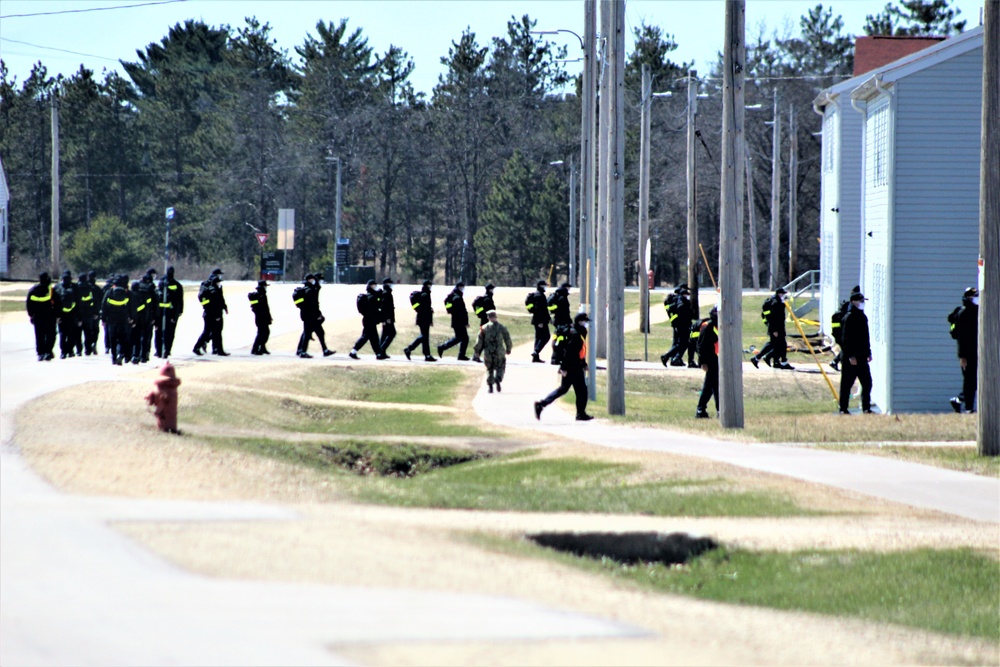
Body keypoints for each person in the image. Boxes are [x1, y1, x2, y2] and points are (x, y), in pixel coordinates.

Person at [534, 311, 593, 422]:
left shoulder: (578, 332)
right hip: (572, 367)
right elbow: (569, 353)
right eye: (585, 322)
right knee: (581, 391)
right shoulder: (575, 335)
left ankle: (541, 405)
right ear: (580, 322)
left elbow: (580, 351)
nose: (586, 324)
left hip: (574, 365)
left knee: (565, 389)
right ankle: (580, 414)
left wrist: (583, 364)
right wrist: (563, 368)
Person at [838, 292, 873, 415]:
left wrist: (868, 352)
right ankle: (843, 408)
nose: (862, 303)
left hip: (862, 356)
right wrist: (850, 356)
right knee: (847, 384)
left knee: (867, 383)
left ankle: (866, 408)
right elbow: (845, 339)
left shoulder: (862, 317)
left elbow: (865, 337)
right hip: (851, 358)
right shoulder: (849, 317)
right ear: (853, 301)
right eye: (860, 301)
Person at [949, 287, 979, 413]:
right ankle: (968, 408)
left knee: (974, 380)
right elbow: (961, 337)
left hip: (977, 351)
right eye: (975, 297)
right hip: (967, 354)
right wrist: (962, 356)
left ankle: (958, 400)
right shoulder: (964, 314)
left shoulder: (978, 311)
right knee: (969, 380)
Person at [750, 288, 793, 370]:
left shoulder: (779, 302)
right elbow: (773, 318)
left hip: (779, 327)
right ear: (779, 294)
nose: (784, 296)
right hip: (776, 328)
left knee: (781, 345)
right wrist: (774, 330)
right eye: (783, 294)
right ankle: (758, 358)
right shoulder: (776, 303)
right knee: (774, 344)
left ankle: (778, 361)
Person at [294, 274, 334, 358]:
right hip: (310, 315)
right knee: (307, 333)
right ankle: (302, 352)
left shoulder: (310, 289)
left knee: (319, 332)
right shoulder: (310, 290)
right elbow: (313, 305)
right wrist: (318, 314)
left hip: (308, 315)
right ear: (310, 280)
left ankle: (324, 350)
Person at [474, 310, 512, 393]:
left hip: (488, 352)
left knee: (489, 369)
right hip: (499, 352)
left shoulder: (483, 328)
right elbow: (507, 339)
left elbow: (479, 341)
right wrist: (508, 349)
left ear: (488, 317)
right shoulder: (502, 327)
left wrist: (477, 351)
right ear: (495, 316)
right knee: (501, 367)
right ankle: (498, 378)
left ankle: (490, 386)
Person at [194, 269, 229, 356]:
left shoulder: (217, 286)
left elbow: (220, 299)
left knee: (215, 331)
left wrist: (224, 306)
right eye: (219, 275)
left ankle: (217, 349)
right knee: (209, 332)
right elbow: (213, 302)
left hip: (212, 312)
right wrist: (208, 308)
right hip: (211, 313)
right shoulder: (209, 286)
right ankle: (199, 347)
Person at [26, 271, 59, 361]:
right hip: (49, 317)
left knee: (39, 335)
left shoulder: (33, 290)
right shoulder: (51, 290)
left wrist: (31, 315)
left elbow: (29, 304)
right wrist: (57, 315)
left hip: (37, 317)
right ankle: (48, 351)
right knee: (51, 335)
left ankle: (40, 353)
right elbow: (57, 303)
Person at [350, 279, 386, 359]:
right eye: (374, 285)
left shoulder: (373, 296)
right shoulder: (371, 297)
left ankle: (378, 354)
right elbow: (374, 308)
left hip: (369, 320)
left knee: (373, 337)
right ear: (371, 286)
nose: (376, 287)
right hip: (369, 320)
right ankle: (353, 352)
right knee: (366, 337)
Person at [101, 274, 132, 366]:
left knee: (113, 338)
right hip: (123, 319)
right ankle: (120, 354)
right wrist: (131, 317)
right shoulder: (126, 293)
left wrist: (103, 318)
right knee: (122, 338)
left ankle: (114, 357)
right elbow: (131, 306)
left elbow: (103, 305)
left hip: (111, 319)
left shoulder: (109, 292)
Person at [695, 306, 720, 418]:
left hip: (715, 358)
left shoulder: (717, 326)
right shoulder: (707, 327)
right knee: (709, 386)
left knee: (715, 386)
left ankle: (719, 410)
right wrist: (703, 362)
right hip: (708, 359)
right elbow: (700, 346)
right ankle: (700, 410)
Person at [662, 286, 695, 367]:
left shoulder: (675, 299)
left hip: (679, 325)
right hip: (683, 325)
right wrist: (685, 317)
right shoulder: (681, 300)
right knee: (682, 343)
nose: (688, 295)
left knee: (680, 343)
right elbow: (681, 308)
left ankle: (674, 358)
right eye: (686, 294)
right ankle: (666, 356)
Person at [404, 280, 436, 362]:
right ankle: (409, 349)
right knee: (424, 337)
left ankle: (427, 355)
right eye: (429, 285)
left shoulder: (425, 294)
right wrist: (429, 317)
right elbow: (425, 308)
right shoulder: (425, 295)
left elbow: (424, 307)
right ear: (427, 286)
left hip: (422, 318)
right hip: (424, 318)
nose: (430, 286)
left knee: (425, 337)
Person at [155, 266, 184, 358]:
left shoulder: (162, 283)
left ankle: (162, 350)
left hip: (165, 312)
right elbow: (180, 300)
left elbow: (179, 300)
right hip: (168, 313)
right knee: (167, 333)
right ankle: (164, 350)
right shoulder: (168, 284)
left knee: (161, 332)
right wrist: (179, 311)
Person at [438, 282, 471, 360]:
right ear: (459, 287)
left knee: (460, 338)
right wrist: (465, 322)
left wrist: (450, 310)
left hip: (456, 321)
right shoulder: (457, 297)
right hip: (459, 321)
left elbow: (448, 303)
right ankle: (443, 347)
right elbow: (461, 312)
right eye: (462, 287)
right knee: (463, 338)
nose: (463, 289)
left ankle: (459, 354)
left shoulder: (454, 295)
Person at [53, 271, 80, 359]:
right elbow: (78, 302)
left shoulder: (57, 287)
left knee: (62, 334)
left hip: (61, 315)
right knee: (71, 333)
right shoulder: (75, 287)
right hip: (72, 314)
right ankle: (70, 350)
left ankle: (63, 352)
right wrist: (78, 316)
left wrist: (56, 315)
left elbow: (54, 302)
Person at [525, 280, 550, 363]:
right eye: (544, 285)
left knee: (538, 337)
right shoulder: (540, 296)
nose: (546, 287)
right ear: (541, 286)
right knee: (546, 336)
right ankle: (536, 351)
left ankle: (535, 357)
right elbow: (540, 310)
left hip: (538, 320)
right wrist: (541, 322)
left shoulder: (537, 295)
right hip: (540, 320)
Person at [136, 269, 158, 362]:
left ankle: (136, 354)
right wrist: (155, 318)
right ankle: (144, 355)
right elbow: (155, 304)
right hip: (148, 316)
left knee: (137, 336)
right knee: (146, 337)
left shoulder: (137, 287)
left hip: (137, 316)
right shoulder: (151, 288)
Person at [77, 272, 100, 356]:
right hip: (89, 314)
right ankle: (88, 349)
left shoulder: (76, 288)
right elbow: (96, 301)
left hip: (78, 314)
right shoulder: (92, 288)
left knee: (78, 333)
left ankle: (79, 350)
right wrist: (96, 312)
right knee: (88, 333)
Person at [248, 280, 272, 355]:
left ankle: (262, 348)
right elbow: (255, 308)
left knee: (265, 332)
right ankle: (255, 349)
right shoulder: (258, 295)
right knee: (261, 333)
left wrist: (269, 317)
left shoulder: (263, 294)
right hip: (260, 318)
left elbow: (266, 308)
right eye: (265, 286)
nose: (266, 288)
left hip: (264, 317)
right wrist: (262, 315)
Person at [378, 278, 396, 356]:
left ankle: (381, 352)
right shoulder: (386, 293)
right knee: (392, 333)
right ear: (386, 284)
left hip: (387, 318)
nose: (391, 285)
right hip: (388, 318)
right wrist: (386, 318)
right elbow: (384, 307)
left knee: (385, 334)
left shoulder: (387, 293)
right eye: (390, 283)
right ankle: (382, 349)